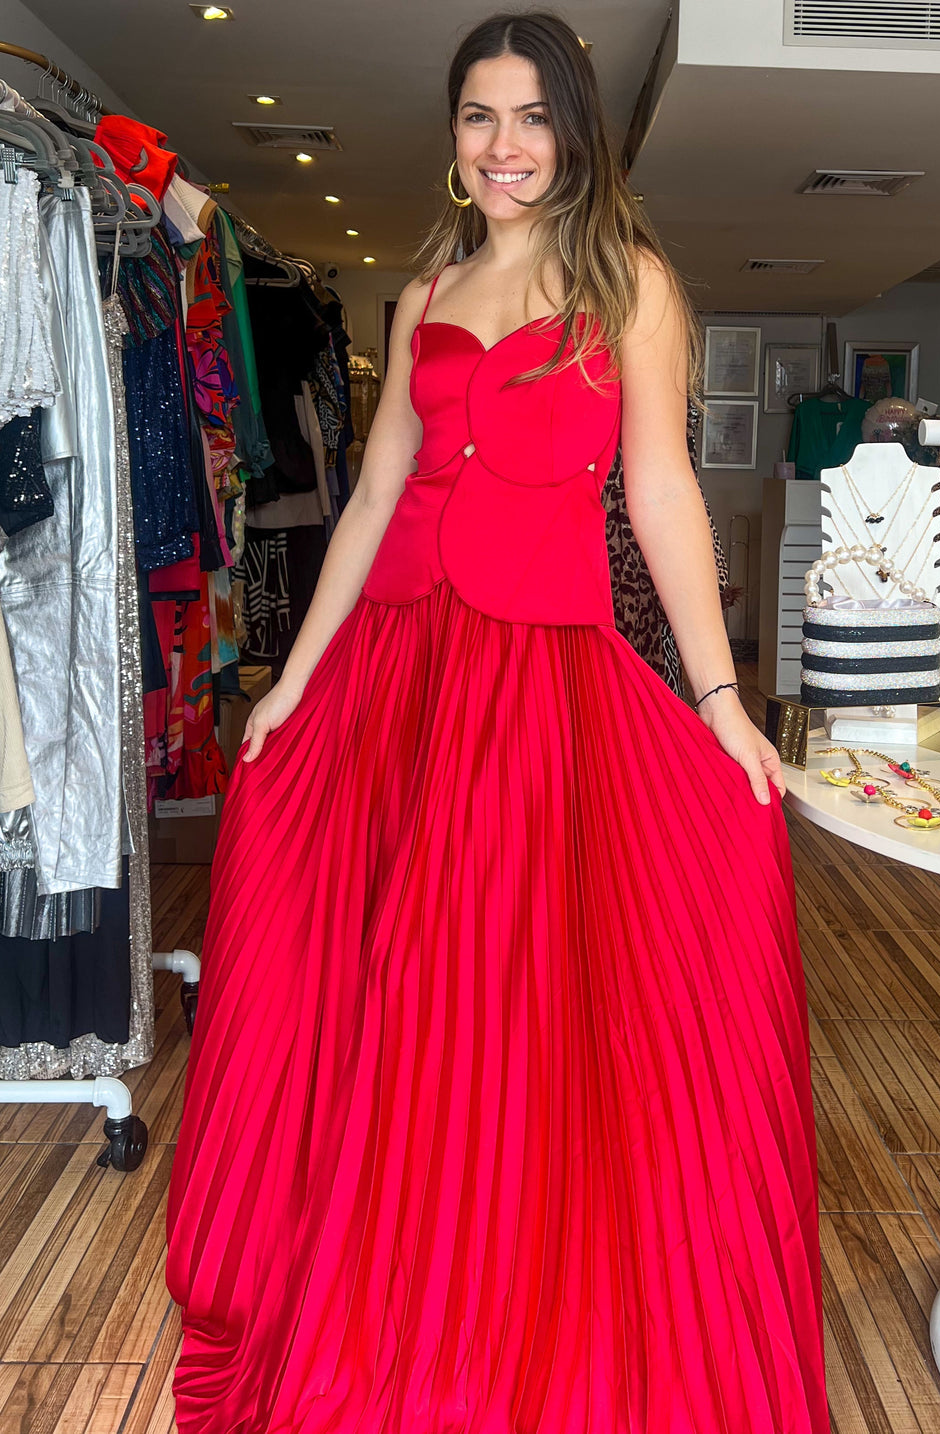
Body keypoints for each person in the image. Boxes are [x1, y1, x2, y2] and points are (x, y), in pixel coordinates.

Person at [165, 11, 828, 1432]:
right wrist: (291, 676)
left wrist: (720, 702)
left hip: (540, 675)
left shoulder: (627, 285)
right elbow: (374, 499)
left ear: (575, 132)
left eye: (532, 117)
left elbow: (661, 496)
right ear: (454, 138)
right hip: (399, 674)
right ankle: (383, 1282)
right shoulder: (423, 297)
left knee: (504, 995)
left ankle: (495, 1291)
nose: (506, 144)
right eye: (480, 116)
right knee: (386, 985)